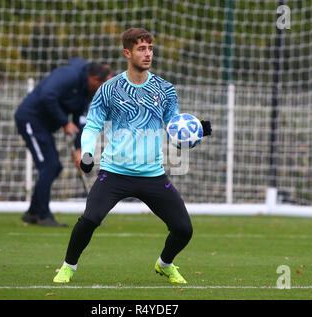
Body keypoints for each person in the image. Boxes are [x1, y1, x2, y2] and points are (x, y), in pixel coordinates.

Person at [53, 28, 212, 283]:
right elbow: (92, 125)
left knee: (184, 229)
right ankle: (68, 267)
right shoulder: (109, 89)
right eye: (141, 48)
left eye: (150, 48)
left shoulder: (165, 90)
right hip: (115, 172)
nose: (148, 53)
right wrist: (88, 154)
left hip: (153, 175)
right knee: (90, 219)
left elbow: (174, 130)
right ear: (127, 53)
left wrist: (196, 130)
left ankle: (164, 264)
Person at [14, 58, 113, 227]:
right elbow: (47, 95)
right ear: (95, 80)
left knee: (53, 166)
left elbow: (80, 120)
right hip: (31, 119)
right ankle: (42, 215)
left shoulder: (87, 92)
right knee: (49, 165)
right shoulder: (69, 75)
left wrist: (79, 149)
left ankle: (33, 212)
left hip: (43, 126)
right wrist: (64, 122)